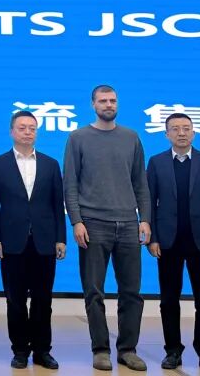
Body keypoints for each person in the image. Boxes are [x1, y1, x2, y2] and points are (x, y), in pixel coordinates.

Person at [64, 84, 150, 372]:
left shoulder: (131, 137)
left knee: (131, 292)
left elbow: (140, 182)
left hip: (128, 224)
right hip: (93, 224)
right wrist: (76, 221)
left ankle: (128, 350)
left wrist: (145, 218)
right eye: (103, 100)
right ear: (93, 104)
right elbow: (70, 184)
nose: (109, 104)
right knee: (94, 292)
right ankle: (100, 350)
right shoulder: (78, 138)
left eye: (112, 100)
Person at [0, 111, 66, 370]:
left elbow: (58, 205)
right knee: (16, 300)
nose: (28, 132)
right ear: (12, 131)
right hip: (11, 242)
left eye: (32, 128)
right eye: (22, 127)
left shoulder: (51, 164)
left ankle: (42, 351)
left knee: (43, 300)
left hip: (44, 242)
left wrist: (60, 239)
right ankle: (20, 350)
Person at [145, 112, 200, 373]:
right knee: (169, 300)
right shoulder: (156, 162)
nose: (181, 133)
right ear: (166, 134)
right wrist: (152, 238)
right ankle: (172, 351)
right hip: (167, 242)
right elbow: (149, 203)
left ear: (194, 132)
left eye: (186, 128)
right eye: (175, 128)